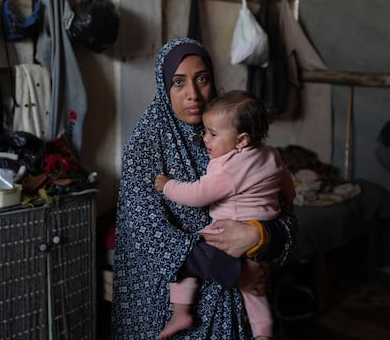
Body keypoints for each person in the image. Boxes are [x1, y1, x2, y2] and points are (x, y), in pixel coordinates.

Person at [111, 37, 297, 339]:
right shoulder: (145, 148)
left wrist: (259, 235)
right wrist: (236, 271)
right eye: (178, 83)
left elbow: (286, 217)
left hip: (236, 309)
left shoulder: (237, 134)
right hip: (172, 309)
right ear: (163, 87)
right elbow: (148, 235)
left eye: (202, 79)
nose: (193, 95)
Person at [154, 90, 296, 340]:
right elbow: (287, 185)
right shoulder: (272, 154)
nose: (206, 138)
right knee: (255, 290)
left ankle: (181, 312)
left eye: (213, 134)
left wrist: (167, 186)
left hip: (228, 229)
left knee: (185, 256)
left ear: (241, 141)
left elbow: (198, 194)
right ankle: (263, 333)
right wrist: (289, 197)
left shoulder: (227, 168)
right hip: (264, 231)